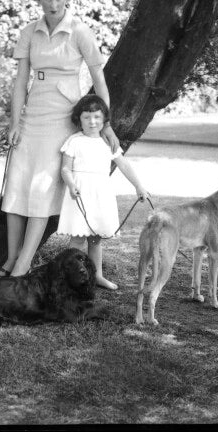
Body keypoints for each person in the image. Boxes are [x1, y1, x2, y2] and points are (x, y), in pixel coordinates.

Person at [0, 0, 120, 278]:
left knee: (41, 188)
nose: (52, 4)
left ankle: (24, 264)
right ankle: (11, 259)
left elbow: (98, 81)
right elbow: (20, 81)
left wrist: (106, 123)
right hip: (33, 112)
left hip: (63, 114)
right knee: (16, 185)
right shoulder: (29, 31)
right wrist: (14, 121)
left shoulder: (81, 31)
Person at [57, 94, 150, 290]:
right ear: (78, 119)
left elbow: (123, 165)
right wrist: (71, 184)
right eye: (87, 118)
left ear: (104, 119)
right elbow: (65, 168)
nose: (92, 122)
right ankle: (69, 277)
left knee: (95, 237)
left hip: (100, 193)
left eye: (97, 117)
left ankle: (96, 275)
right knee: (78, 237)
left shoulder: (108, 143)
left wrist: (139, 186)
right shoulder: (74, 141)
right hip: (80, 191)